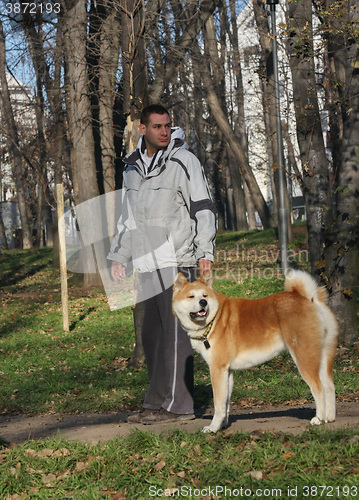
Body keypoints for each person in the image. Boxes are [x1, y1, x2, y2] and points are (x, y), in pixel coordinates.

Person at [107, 104, 217, 424]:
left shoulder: (184, 161)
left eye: (167, 125)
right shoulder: (131, 168)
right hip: (145, 262)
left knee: (175, 336)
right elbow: (128, 218)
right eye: (157, 126)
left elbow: (203, 207)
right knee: (153, 335)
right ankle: (156, 401)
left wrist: (205, 250)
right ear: (143, 129)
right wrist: (118, 255)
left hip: (177, 260)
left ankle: (178, 405)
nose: (164, 131)